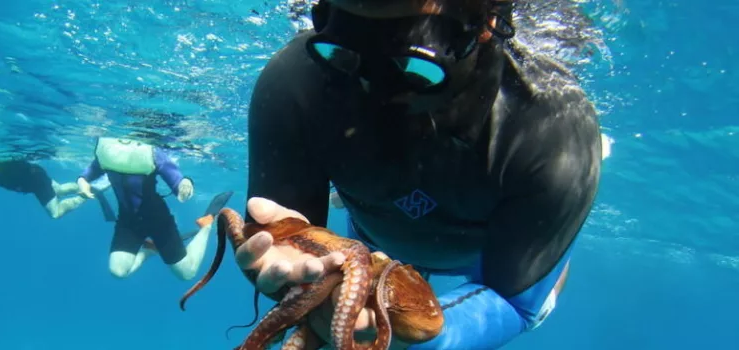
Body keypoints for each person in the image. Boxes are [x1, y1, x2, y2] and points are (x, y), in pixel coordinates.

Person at [239, 0, 602, 349]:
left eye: (413, 66)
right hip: (374, 239)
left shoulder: (552, 132)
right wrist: (295, 275)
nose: (372, 88)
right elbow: (286, 247)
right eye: (344, 54)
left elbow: (515, 301)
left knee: (537, 298)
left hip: (484, 251)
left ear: (485, 27)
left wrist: (403, 344)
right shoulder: (296, 83)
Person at [77, 136, 230, 281]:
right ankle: (150, 250)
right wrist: (82, 182)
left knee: (186, 272)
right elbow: (89, 173)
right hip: (127, 221)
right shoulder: (107, 152)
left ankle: (206, 225)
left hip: (158, 220)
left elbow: (175, 180)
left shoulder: (151, 153)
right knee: (118, 271)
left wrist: (184, 184)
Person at [0, 154, 88, 219]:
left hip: (35, 182)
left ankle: (84, 196)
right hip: (35, 175)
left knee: (55, 213)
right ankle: (83, 186)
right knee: (59, 190)